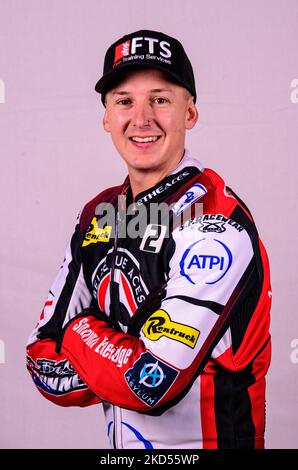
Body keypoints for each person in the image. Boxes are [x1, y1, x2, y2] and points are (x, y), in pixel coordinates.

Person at [26, 29, 272, 449]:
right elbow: (39, 356)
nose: (141, 119)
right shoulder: (97, 215)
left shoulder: (217, 222)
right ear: (106, 117)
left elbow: (151, 382)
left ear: (190, 112)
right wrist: (116, 363)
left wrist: (81, 331)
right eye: (124, 101)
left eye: (160, 99)